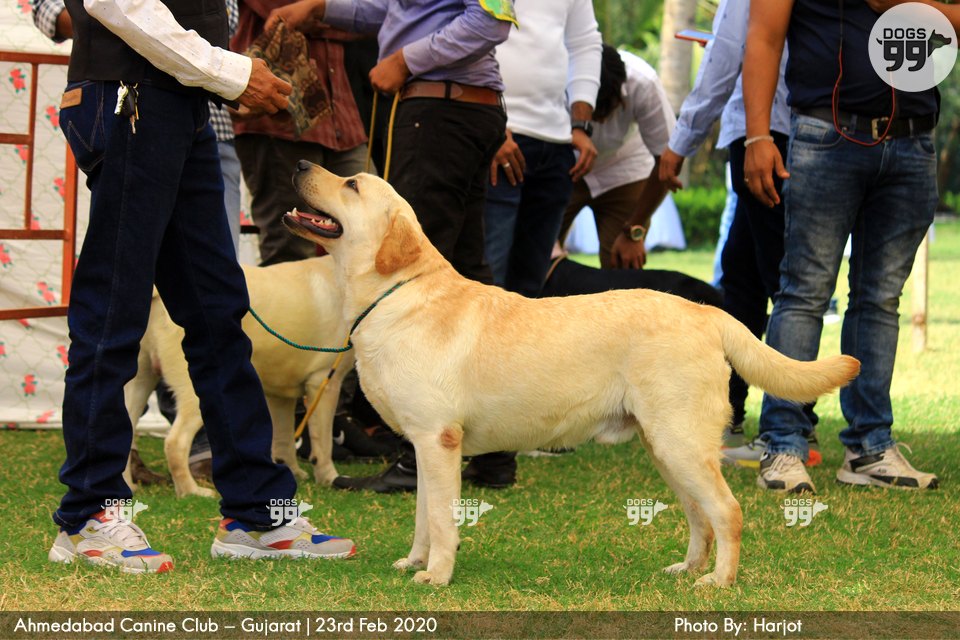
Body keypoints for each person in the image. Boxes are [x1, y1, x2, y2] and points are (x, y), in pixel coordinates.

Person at [48, 0, 355, 573]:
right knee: (114, 309)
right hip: (130, 98)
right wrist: (232, 72)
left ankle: (256, 513)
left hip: (179, 104)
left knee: (218, 315)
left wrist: (220, 76)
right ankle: (89, 512)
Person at [268, 0, 515, 491]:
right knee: (465, 273)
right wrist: (322, 7)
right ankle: (491, 453)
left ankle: (418, 456)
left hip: (439, 108)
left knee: (416, 282)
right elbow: (398, 10)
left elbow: (491, 20)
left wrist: (405, 59)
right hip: (453, 107)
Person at [743, 0, 940, 492]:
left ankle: (870, 449)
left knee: (880, 299)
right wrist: (757, 136)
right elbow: (763, 37)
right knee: (804, 292)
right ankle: (782, 444)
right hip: (827, 133)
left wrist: (899, 4)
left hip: (913, 140)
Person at [657, 0, 802, 466]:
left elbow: (722, 59)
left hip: (768, 137)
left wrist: (681, 141)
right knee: (742, 281)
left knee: (784, 284)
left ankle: (794, 426)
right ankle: (731, 414)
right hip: (772, 133)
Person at [233, 0, 370, 267]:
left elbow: (371, 18)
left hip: (343, 121)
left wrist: (315, 10)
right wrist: (335, 14)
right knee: (290, 252)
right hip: (279, 122)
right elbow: (279, 9)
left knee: (369, 236)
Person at [483, 0, 602, 298]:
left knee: (531, 292)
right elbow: (470, 34)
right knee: (487, 285)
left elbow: (585, 44)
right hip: (501, 139)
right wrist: (493, 123)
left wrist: (581, 125)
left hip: (557, 145)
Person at [558, 45, 674, 271]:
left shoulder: (643, 83)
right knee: (535, 256)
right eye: (592, 114)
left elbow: (667, 160)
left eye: (607, 111)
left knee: (623, 268)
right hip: (565, 169)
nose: (599, 122)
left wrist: (635, 230)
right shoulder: (555, 78)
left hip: (626, 170)